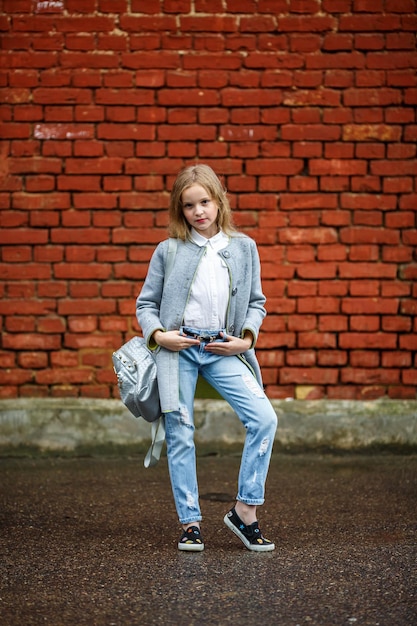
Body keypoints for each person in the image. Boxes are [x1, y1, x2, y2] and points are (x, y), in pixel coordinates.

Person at [136, 164, 278, 552]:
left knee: (264, 417)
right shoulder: (168, 250)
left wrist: (245, 341)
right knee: (180, 432)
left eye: (205, 202)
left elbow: (256, 303)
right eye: (188, 206)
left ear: (219, 201)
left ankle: (245, 510)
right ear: (179, 210)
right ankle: (190, 523)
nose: (198, 211)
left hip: (221, 349)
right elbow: (146, 305)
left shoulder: (244, 247)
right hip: (177, 350)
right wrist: (160, 335)